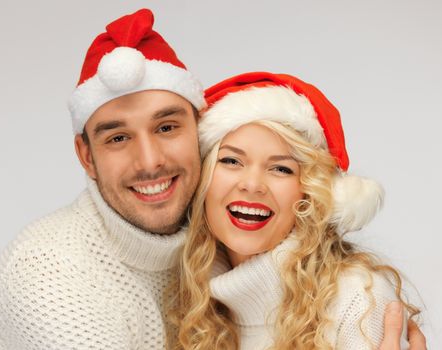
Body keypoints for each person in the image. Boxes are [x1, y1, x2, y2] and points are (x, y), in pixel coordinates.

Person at [0, 9, 425, 350]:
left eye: (167, 127)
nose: (150, 161)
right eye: (117, 137)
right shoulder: (51, 282)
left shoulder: (353, 298)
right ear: (86, 156)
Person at [175, 72, 424, 349]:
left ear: (309, 191)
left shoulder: (358, 298)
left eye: (281, 168)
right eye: (231, 161)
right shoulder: (190, 302)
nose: (252, 185)